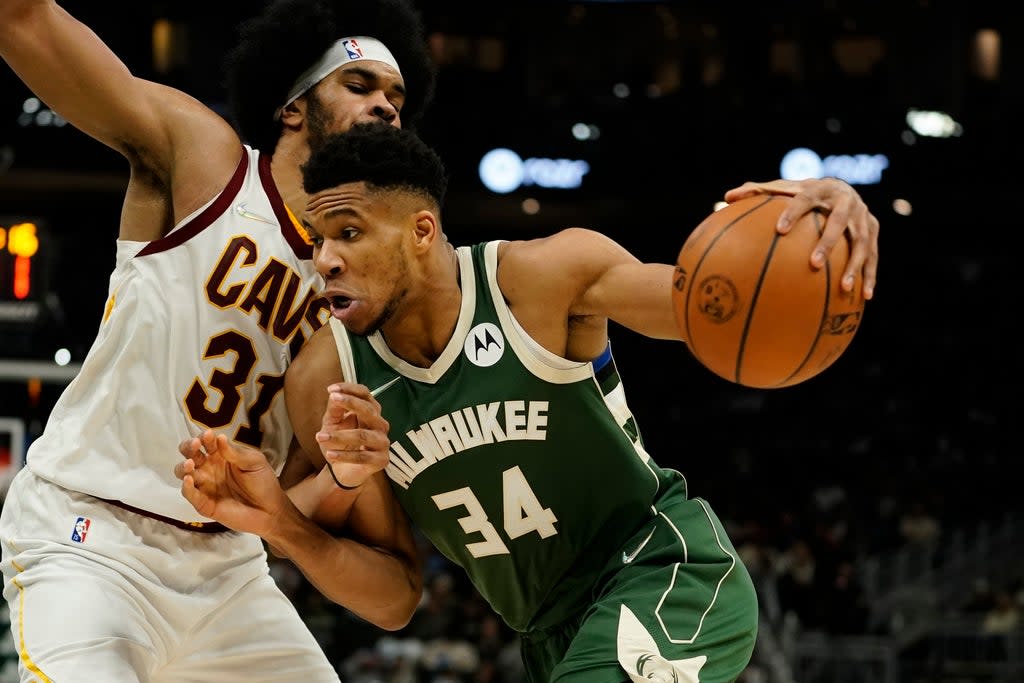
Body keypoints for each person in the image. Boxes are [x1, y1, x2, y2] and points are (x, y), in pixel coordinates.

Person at [177, 122, 880, 683]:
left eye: (350, 233)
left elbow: (702, 306)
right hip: (546, 635)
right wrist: (300, 516)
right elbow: (393, 595)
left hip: (658, 571)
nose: (325, 258)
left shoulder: (542, 279)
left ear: (423, 232)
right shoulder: (327, 378)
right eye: (319, 238)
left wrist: (822, 206)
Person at [0, 1, 435, 680]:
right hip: (91, 534)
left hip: (227, 567)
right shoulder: (208, 161)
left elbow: (388, 586)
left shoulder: (359, 293)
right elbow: (25, 22)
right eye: (361, 86)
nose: (386, 106)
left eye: (397, 97)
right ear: (293, 108)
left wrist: (339, 483)